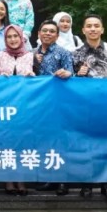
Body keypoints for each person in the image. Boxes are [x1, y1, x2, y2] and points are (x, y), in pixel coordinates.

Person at [72, 14, 107, 200]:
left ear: (102, 29)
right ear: (83, 30)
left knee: (106, 145)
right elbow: (71, 81)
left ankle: (105, 185)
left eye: (96, 26)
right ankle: (86, 185)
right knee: (85, 145)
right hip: (84, 107)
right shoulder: (75, 53)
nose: (93, 29)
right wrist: (78, 74)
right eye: (89, 26)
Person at [0, 24, 39, 197]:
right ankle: (8, 178)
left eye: (15, 36)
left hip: (25, 107)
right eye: (9, 37)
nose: (13, 39)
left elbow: (41, 82)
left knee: (23, 142)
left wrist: (33, 78)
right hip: (4, 107)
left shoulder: (31, 56)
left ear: (22, 37)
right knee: (6, 142)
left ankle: (21, 178)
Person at [34, 19, 74, 197]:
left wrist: (67, 74)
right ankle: (49, 178)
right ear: (39, 34)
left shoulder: (63, 53)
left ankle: (63, 180)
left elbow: (71, 74)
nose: (48, 34)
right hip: (38, 105)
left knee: (60, 141)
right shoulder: (32, 53)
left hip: (59, 104)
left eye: (52, 31)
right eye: (45, 30)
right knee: (45, 141)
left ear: (57, 36)